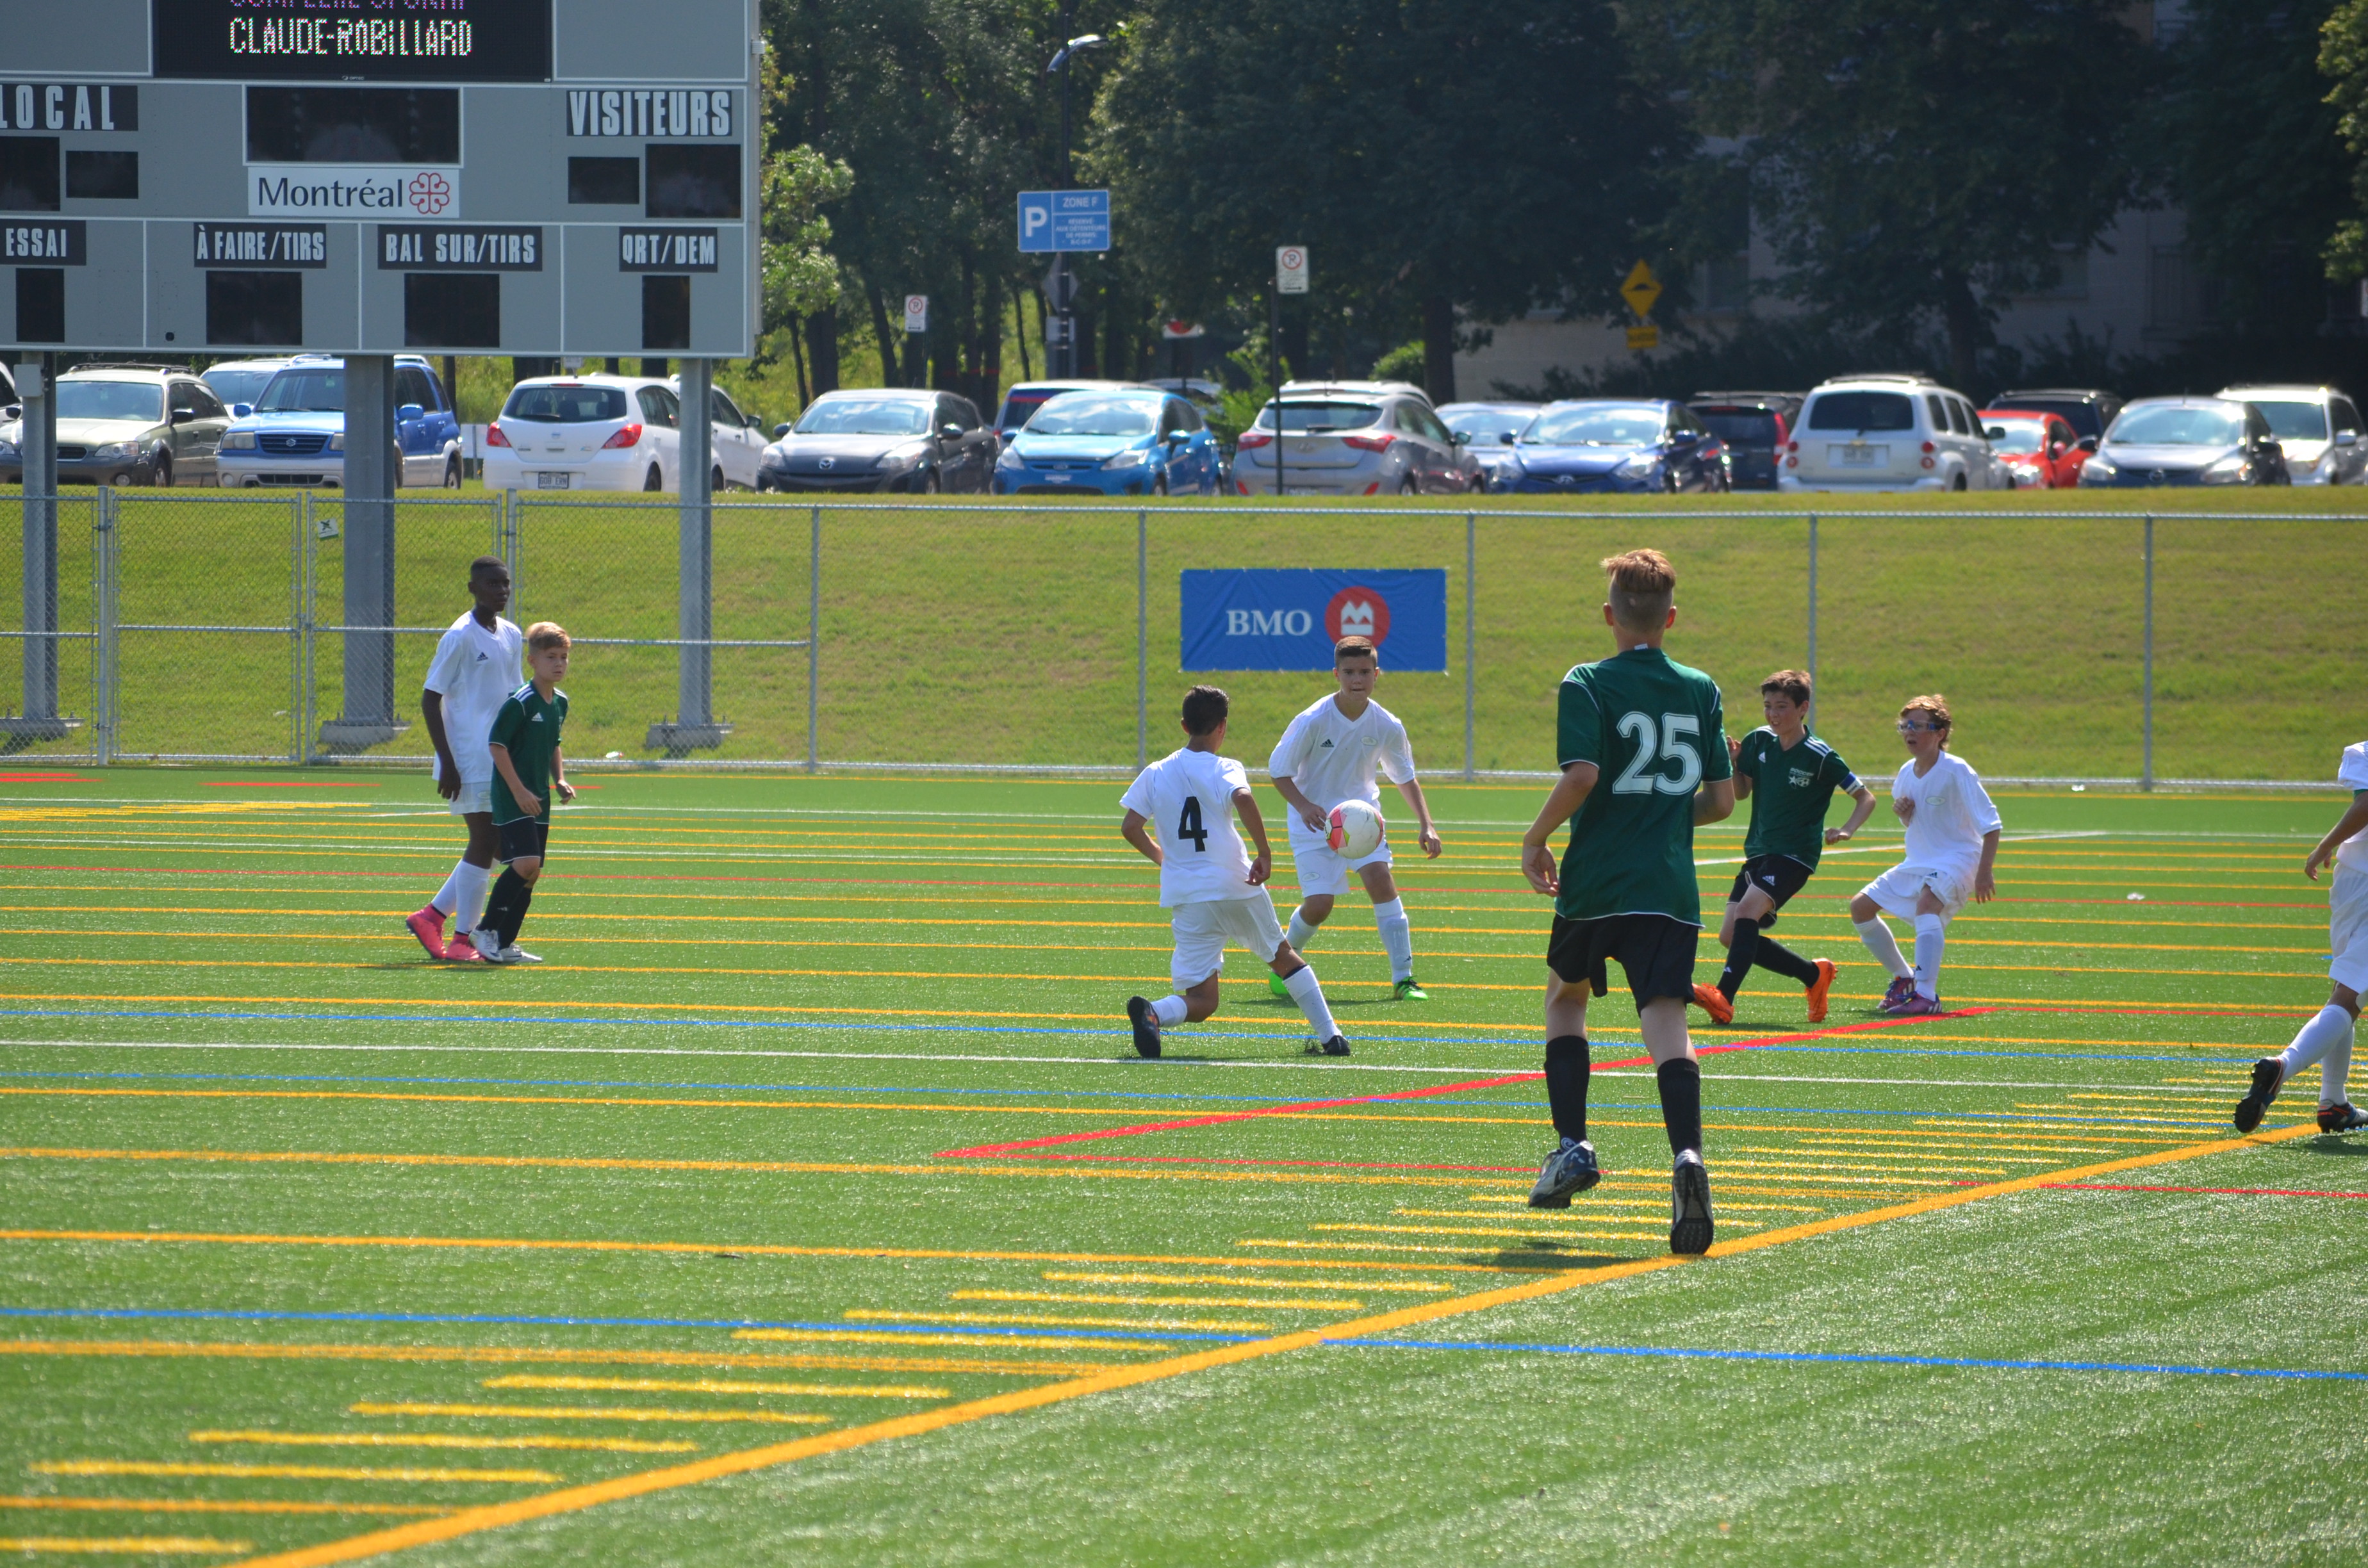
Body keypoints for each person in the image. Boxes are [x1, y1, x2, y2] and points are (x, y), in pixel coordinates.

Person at [1518, 548, 1734, 1255]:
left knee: (1565, 999)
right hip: (1669, 884)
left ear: (1609, 616)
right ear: (1670, 619)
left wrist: (1536, 836)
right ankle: (1687, 1157)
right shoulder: (1701, 688)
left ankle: (1573, 1145)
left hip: (1598, 879)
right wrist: (1663, 818)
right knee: (1666, 1019)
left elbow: (1583, 774)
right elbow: (1721, 802)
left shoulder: (1586, 681)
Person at [1122, 685, 1349, 1060]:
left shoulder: (1156, 772)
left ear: (1184, 725)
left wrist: (1164, 858)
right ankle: (1332, 1037)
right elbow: (1242, 797)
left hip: (1187, 896)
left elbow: (1130, 826)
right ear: (1223, 728)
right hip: (1234, 883)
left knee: (1203, 1000)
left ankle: (1155, 1012)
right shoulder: (1226, 767)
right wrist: (1264, 851)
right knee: (1283, 956)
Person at [1694, 669, 1878, 1025]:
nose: (1773, 714)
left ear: (1802, 707)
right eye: (1767, 706)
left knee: (1748, 914)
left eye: (1781, 706)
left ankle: (1724, 998)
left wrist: (1847, 830)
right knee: (1730, 936)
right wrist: (1734, 763)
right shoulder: (1759, 742)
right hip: (1760, 851)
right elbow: (1743, 792)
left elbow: (1865, 797)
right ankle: (1813, 975)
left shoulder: (1820, 755)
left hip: (1795, 855)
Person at [1266, 634, 1443, 1002]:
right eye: (1349, 672)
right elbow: (1279, 771)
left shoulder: (1388, 725)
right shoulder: (1312, 720)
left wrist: (1426, 824)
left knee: (1381, 881)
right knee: (1319, 906)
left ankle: (1404, 979)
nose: (1357, 679)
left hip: (1362, 820)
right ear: (1336, 674)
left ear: (1377, 674)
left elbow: (1404, 776)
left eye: (1364, 672)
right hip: (1313, 823)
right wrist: (1303, 806)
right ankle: (1284, 965)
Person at [2234, 742, 2368, 1134]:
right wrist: (2325, 843)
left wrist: (2328, 848)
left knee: (2348, 992)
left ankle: (2333, 1103)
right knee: (2349, 995)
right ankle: (2283, 1066)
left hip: (2352, 879)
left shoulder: (2361, 750)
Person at [1849, 694, 2000, 1017]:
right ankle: (1904, 978)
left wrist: (1984, 872)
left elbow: (1991, 824)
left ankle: (1926, 995)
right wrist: (1905, 814)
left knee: (1927, 906)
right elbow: (1912, 820)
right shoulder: (1906, 772)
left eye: (1918, 726)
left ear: (1940, 733)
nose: (1909, 732)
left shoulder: (1956, 770)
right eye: (1905, 726)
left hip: (1958, 858)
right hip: (1920, 859)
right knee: (1860, 907)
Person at [407, 556, 523, 963]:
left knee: (494, 848)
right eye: (492, 584)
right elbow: (429, 698)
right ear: (473, 588)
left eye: (505, 584)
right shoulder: (459, 636)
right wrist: (448, 763)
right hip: (468, 758)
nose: (501, 591)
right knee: (485, 841)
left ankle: (432, 916)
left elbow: (514, 696)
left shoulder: (511, 633)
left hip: (498, 756)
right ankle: (462, 939)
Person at [473, 622, 574, 965]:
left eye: (564, 657)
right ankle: (484, 930)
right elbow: (497, 745)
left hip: (539, 799)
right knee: (525, 863)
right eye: (551, 657)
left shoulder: (559, 703)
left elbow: (553, 744)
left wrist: (558, 779)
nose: (559, 664)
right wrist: (518, 791)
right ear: (532, 660)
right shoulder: (521, 701)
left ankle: (503, 943)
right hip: (512, 795)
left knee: (533, 872)